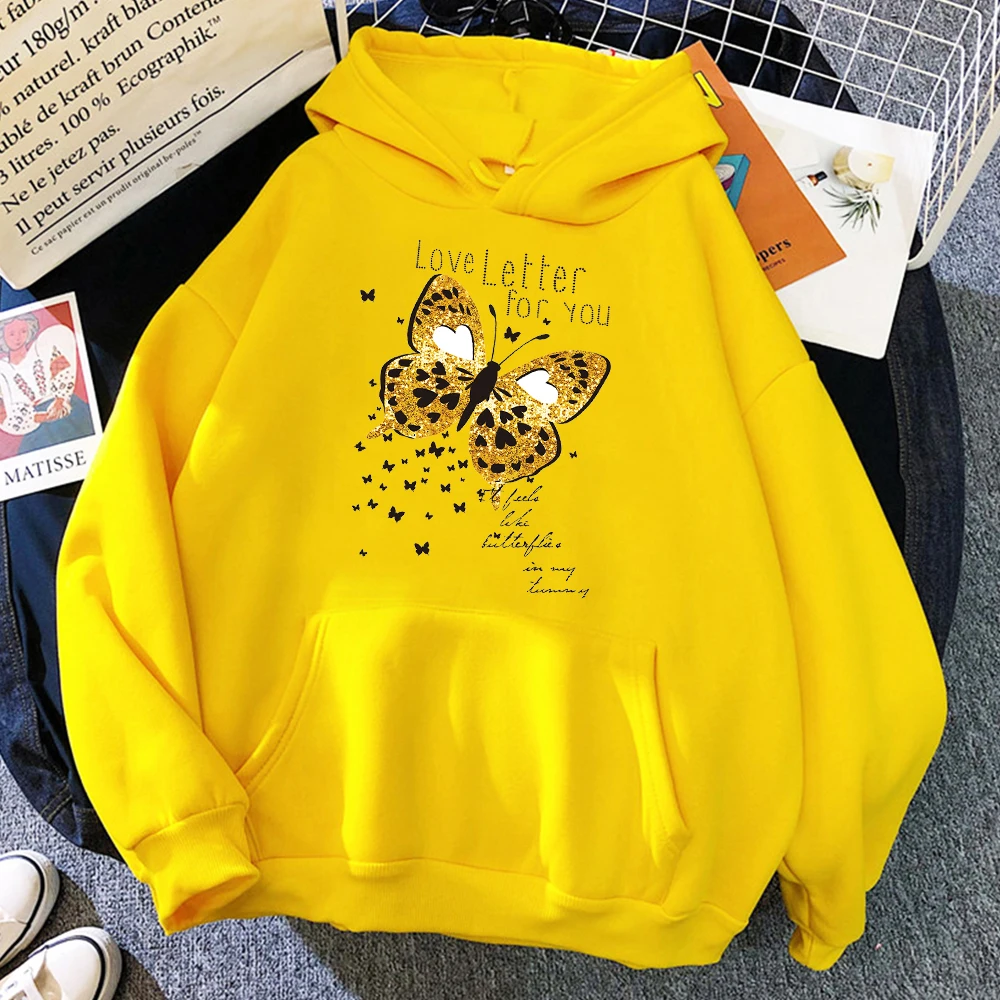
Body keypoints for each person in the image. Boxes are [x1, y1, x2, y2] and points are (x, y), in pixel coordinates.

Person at [0, 314, 94, 456]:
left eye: (23, 331)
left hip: (64, 408)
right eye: (11, 334)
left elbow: (62, 368)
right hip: (33, 425)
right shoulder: (3, 370)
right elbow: (4, 414)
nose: (17, 338)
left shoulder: (42, 348)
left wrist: (61, 399)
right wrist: (41, 417)